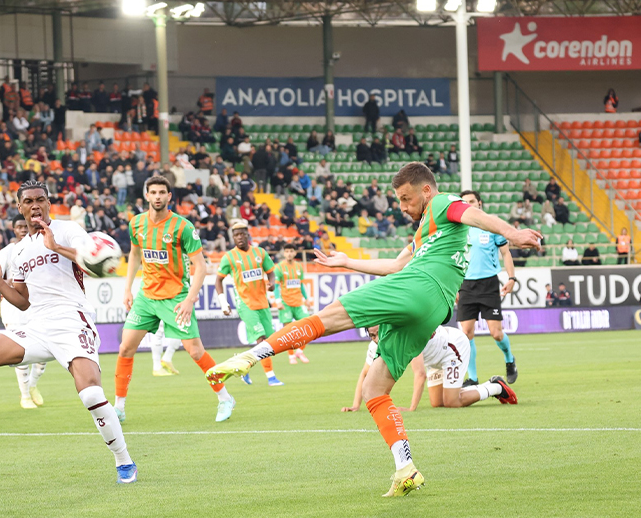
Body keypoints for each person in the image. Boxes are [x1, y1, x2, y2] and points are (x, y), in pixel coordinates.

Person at [207, 163, 541, 497]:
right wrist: (346, 262)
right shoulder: (427, 233)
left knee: (330, 316)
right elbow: (394, 265)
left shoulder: (441, 203)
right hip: (433, 311)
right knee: (374, 389)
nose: (402, 207)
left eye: (406, 198)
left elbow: (473, 215)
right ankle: (405, 468)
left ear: (426, 190)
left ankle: (250, 357)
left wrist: (512, 233)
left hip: (418, 286)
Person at [0, 181, 138, 484]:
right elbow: (22, 301)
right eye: (29, 201)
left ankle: (124, 461)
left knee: (91, 394)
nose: (35, 205)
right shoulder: (19, 251)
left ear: (48, 204)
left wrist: (55, 246)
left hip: (71, 320)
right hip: (35, 325)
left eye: (41, 199)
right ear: (20, 208)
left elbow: (92, 262)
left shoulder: (67, 230)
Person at [114, 176, 237, 423]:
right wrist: (128, 289)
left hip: (176, 298)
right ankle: (118, 407)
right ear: (146, 195)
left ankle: (225, 398)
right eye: (153, 192)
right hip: (146, 297)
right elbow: (135, 254)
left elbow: (200, 266)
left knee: (195, 351)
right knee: (125, 347)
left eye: (162, 192)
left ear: (169, 196)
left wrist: (190, 299)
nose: (157, 196)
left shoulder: (183, 227)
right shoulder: (136, 223)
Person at [344, 325, 514, 413]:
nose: (376, 339)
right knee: (437, 403)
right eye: (372, 335)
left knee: (452, 402)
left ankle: (496, 386)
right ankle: (467, 388)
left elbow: (420, 374)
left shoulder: (405, 337)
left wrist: (411, 408)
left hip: (452, 349)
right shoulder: (375, 346)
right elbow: (365, 374)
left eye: (379, 333)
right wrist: (355, 405)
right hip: (434, 360)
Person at [455, 190, 517, 387]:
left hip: (488, 283)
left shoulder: (490, 225)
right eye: (464, 202)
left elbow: (505, 253)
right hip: (465, 285)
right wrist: (453, 286)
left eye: (472, 201)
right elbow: (452, 260)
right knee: (466, 333)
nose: (468, 204)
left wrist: (511, 277)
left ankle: (509, 359)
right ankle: (472, 378)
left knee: (496, 333)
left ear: (479, 203)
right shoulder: (457, 229)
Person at [215, 221, 282, 387]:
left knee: (270, 342)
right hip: (245, 304)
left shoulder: (260, 253)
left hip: (263, 303)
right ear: (233, 238)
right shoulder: (229, 257)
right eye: (236, 235)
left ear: (247, 235)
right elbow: (218, 280)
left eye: (242, 234)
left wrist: (272, 283)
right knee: (262, 340)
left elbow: (271, 272)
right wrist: (223, 302)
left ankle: (242, 363)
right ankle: (271, 377)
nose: (239, 237)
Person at [0, 217, 48, 409]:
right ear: (14, 230)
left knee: (44, 354)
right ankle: (24, 396)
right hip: (13, 308)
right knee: (21, 351)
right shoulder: (8, 251)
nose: (23, 229)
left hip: (37, 304)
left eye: (26, 226)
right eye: (19, 227)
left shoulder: (41, 247)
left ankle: (32, 385)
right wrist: (11, 282)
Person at [273, 245, 310, 364]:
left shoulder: (299, 266)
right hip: (285, 303)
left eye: (291, 251)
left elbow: (301, 284)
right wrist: (278, 301)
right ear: (284, 253)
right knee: (288, 332)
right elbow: (276, 286)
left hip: (299, 302)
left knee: (308, 327)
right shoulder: (279, 267)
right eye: (287, 251)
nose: (289, 253)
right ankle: (291, 356)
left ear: (295, 253)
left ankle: (299, 351)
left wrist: (306, 299)